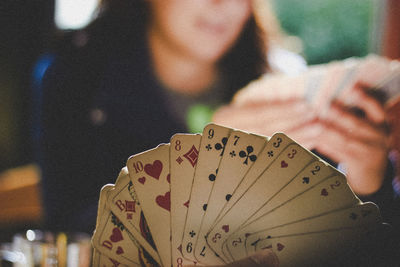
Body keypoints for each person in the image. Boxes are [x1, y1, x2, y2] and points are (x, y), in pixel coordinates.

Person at [37, 0, 399, 265]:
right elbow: (70, 232)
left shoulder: (282, 80)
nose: (221, 5)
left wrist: (369, 180)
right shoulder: (76, 76)